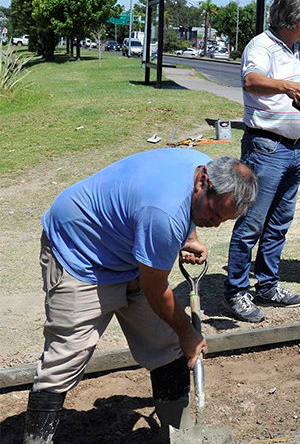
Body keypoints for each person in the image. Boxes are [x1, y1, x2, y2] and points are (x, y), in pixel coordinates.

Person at [23, 148, 257, 443]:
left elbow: (180, 212)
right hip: (80, 255)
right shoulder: (163, 212)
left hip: (128, 251)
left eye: (224, 219)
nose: (215, 223)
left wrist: (190, 235)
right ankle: (36, 439)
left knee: (167, 343)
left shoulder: (203, 168)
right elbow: (155, 289)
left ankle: (178, 434)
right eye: (213, 213)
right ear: (203, 182)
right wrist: (188, 332)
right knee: (65, 358)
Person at [223, 0, 300, 323]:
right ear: (298, 22)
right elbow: (251, 81)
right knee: (251, 225)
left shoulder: (290, 49)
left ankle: (267, 285)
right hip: (266, 149)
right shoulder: (261, 46)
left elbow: (285, 100)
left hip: (291, 149)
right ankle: (235, 291)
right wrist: (287, 87)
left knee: (278, 225)